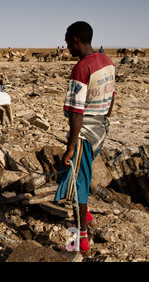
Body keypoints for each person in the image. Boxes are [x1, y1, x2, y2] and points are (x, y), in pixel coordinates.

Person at [54, 21, 115, 256]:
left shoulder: (81, 68)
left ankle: (81, 243)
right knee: (80, 174)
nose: (67, 46)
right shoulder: (107, 61)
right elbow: (111, 98)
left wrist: (71, 146)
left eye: (68, 42)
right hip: (100, 129)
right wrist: (101, 118)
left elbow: (77, 111)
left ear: (77, 40)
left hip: (84, 134)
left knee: (77, 184)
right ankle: (87, 216)